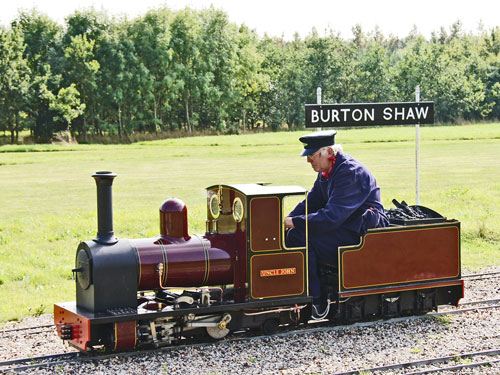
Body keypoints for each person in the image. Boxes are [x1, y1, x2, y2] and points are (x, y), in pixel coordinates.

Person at [284, 130, 389, 319]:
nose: (309, 161)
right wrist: (285, 220)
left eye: (313, 155)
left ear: (329, 153)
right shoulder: (326, 171)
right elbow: (311, 202)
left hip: (360, 230)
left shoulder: (350, 173)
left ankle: (316, 300)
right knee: (291, 234)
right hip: (344, 225)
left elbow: (332, 216)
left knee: (299, 236)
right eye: (308, 156)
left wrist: (293, 223)